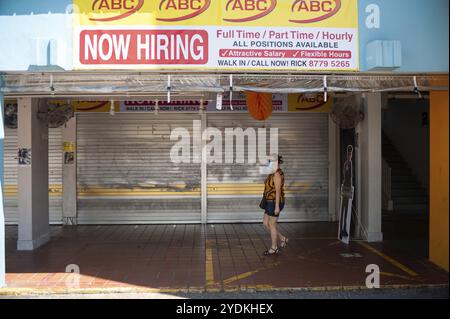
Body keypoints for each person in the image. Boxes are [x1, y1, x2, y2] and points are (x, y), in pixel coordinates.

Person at [261, 154, 288, 255]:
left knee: (272, 224)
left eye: (270, 162)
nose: (268, 163)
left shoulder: (277, 174)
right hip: (269, 201)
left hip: (275, 202)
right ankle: (282, 238)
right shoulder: (272, 173)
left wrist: (277, 206)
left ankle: (274, 247)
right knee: (265, 223)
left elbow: (278, 191)